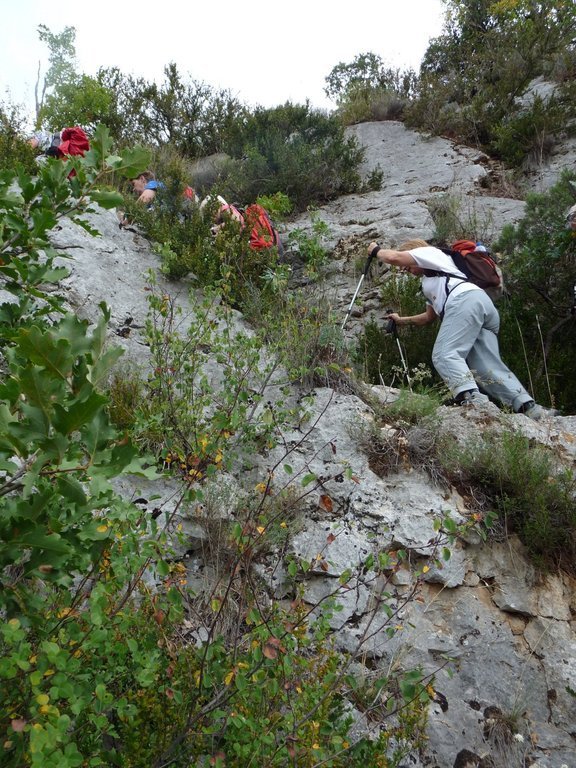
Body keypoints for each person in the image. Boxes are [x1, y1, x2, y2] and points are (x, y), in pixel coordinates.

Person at [367, 238, 559, 421]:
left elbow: (393, 258)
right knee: (485, 367)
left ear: (414, 252)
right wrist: (401, 321)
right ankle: (528, 407)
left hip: (465, 302)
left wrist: (376, 251)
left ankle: (472, 400)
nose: (404, 268)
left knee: (444, 354)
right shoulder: (430, 280)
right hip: (480, 306)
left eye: (407, 264)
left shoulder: (430, 253)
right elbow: (428, 318)